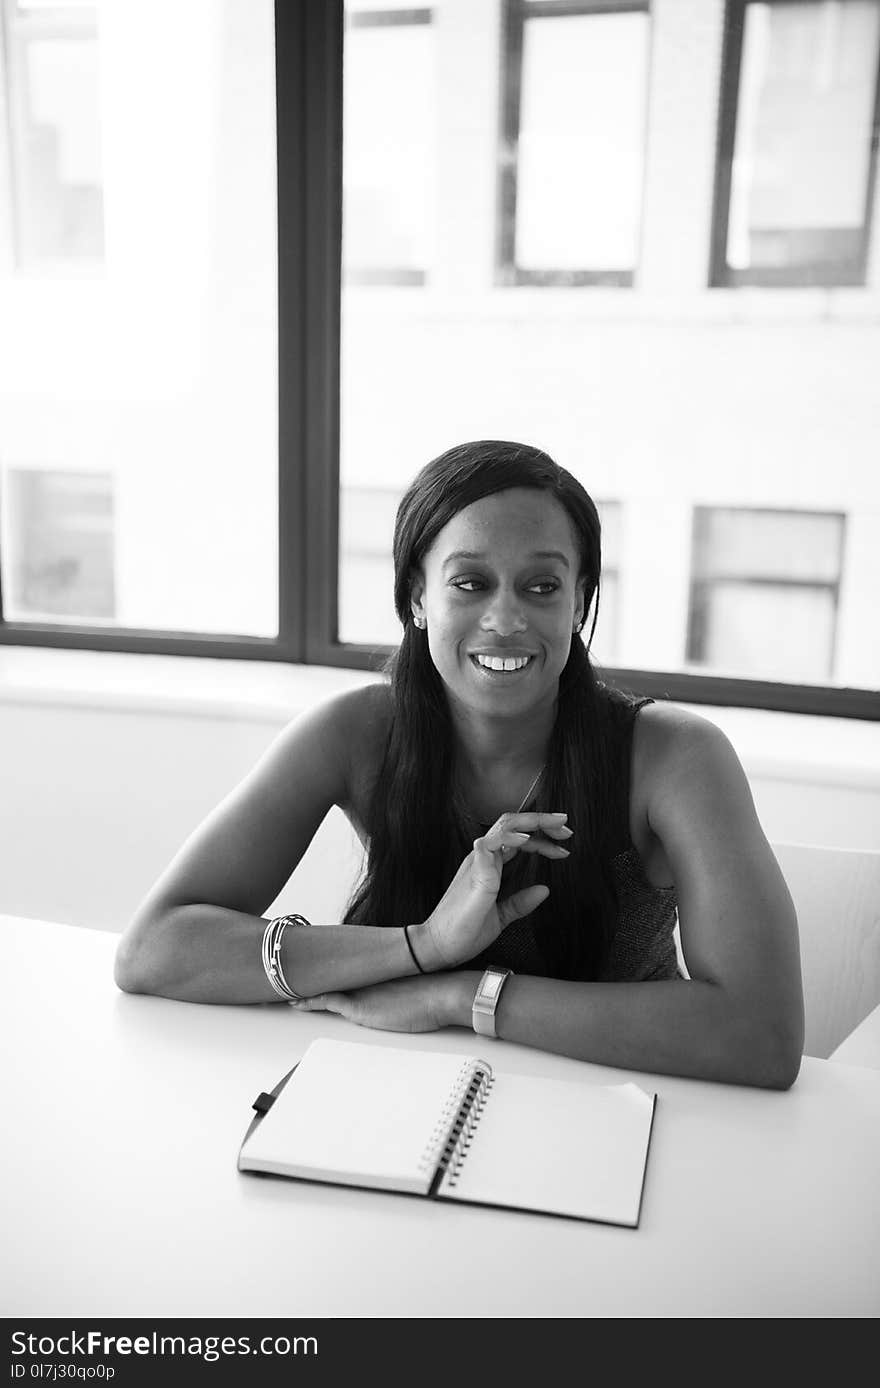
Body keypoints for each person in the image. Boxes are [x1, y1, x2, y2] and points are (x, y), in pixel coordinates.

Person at [115, 440, 804, 1088]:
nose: (505, 619)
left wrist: (461, 996)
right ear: (417, 597)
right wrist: (423, 945)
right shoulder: (357, 731)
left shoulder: (675, 755)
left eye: (541, 587)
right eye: (470, 583)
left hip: (631, 1114)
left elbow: (762, 1034)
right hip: (403, 1091)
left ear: (581, 600)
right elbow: (155, 950)